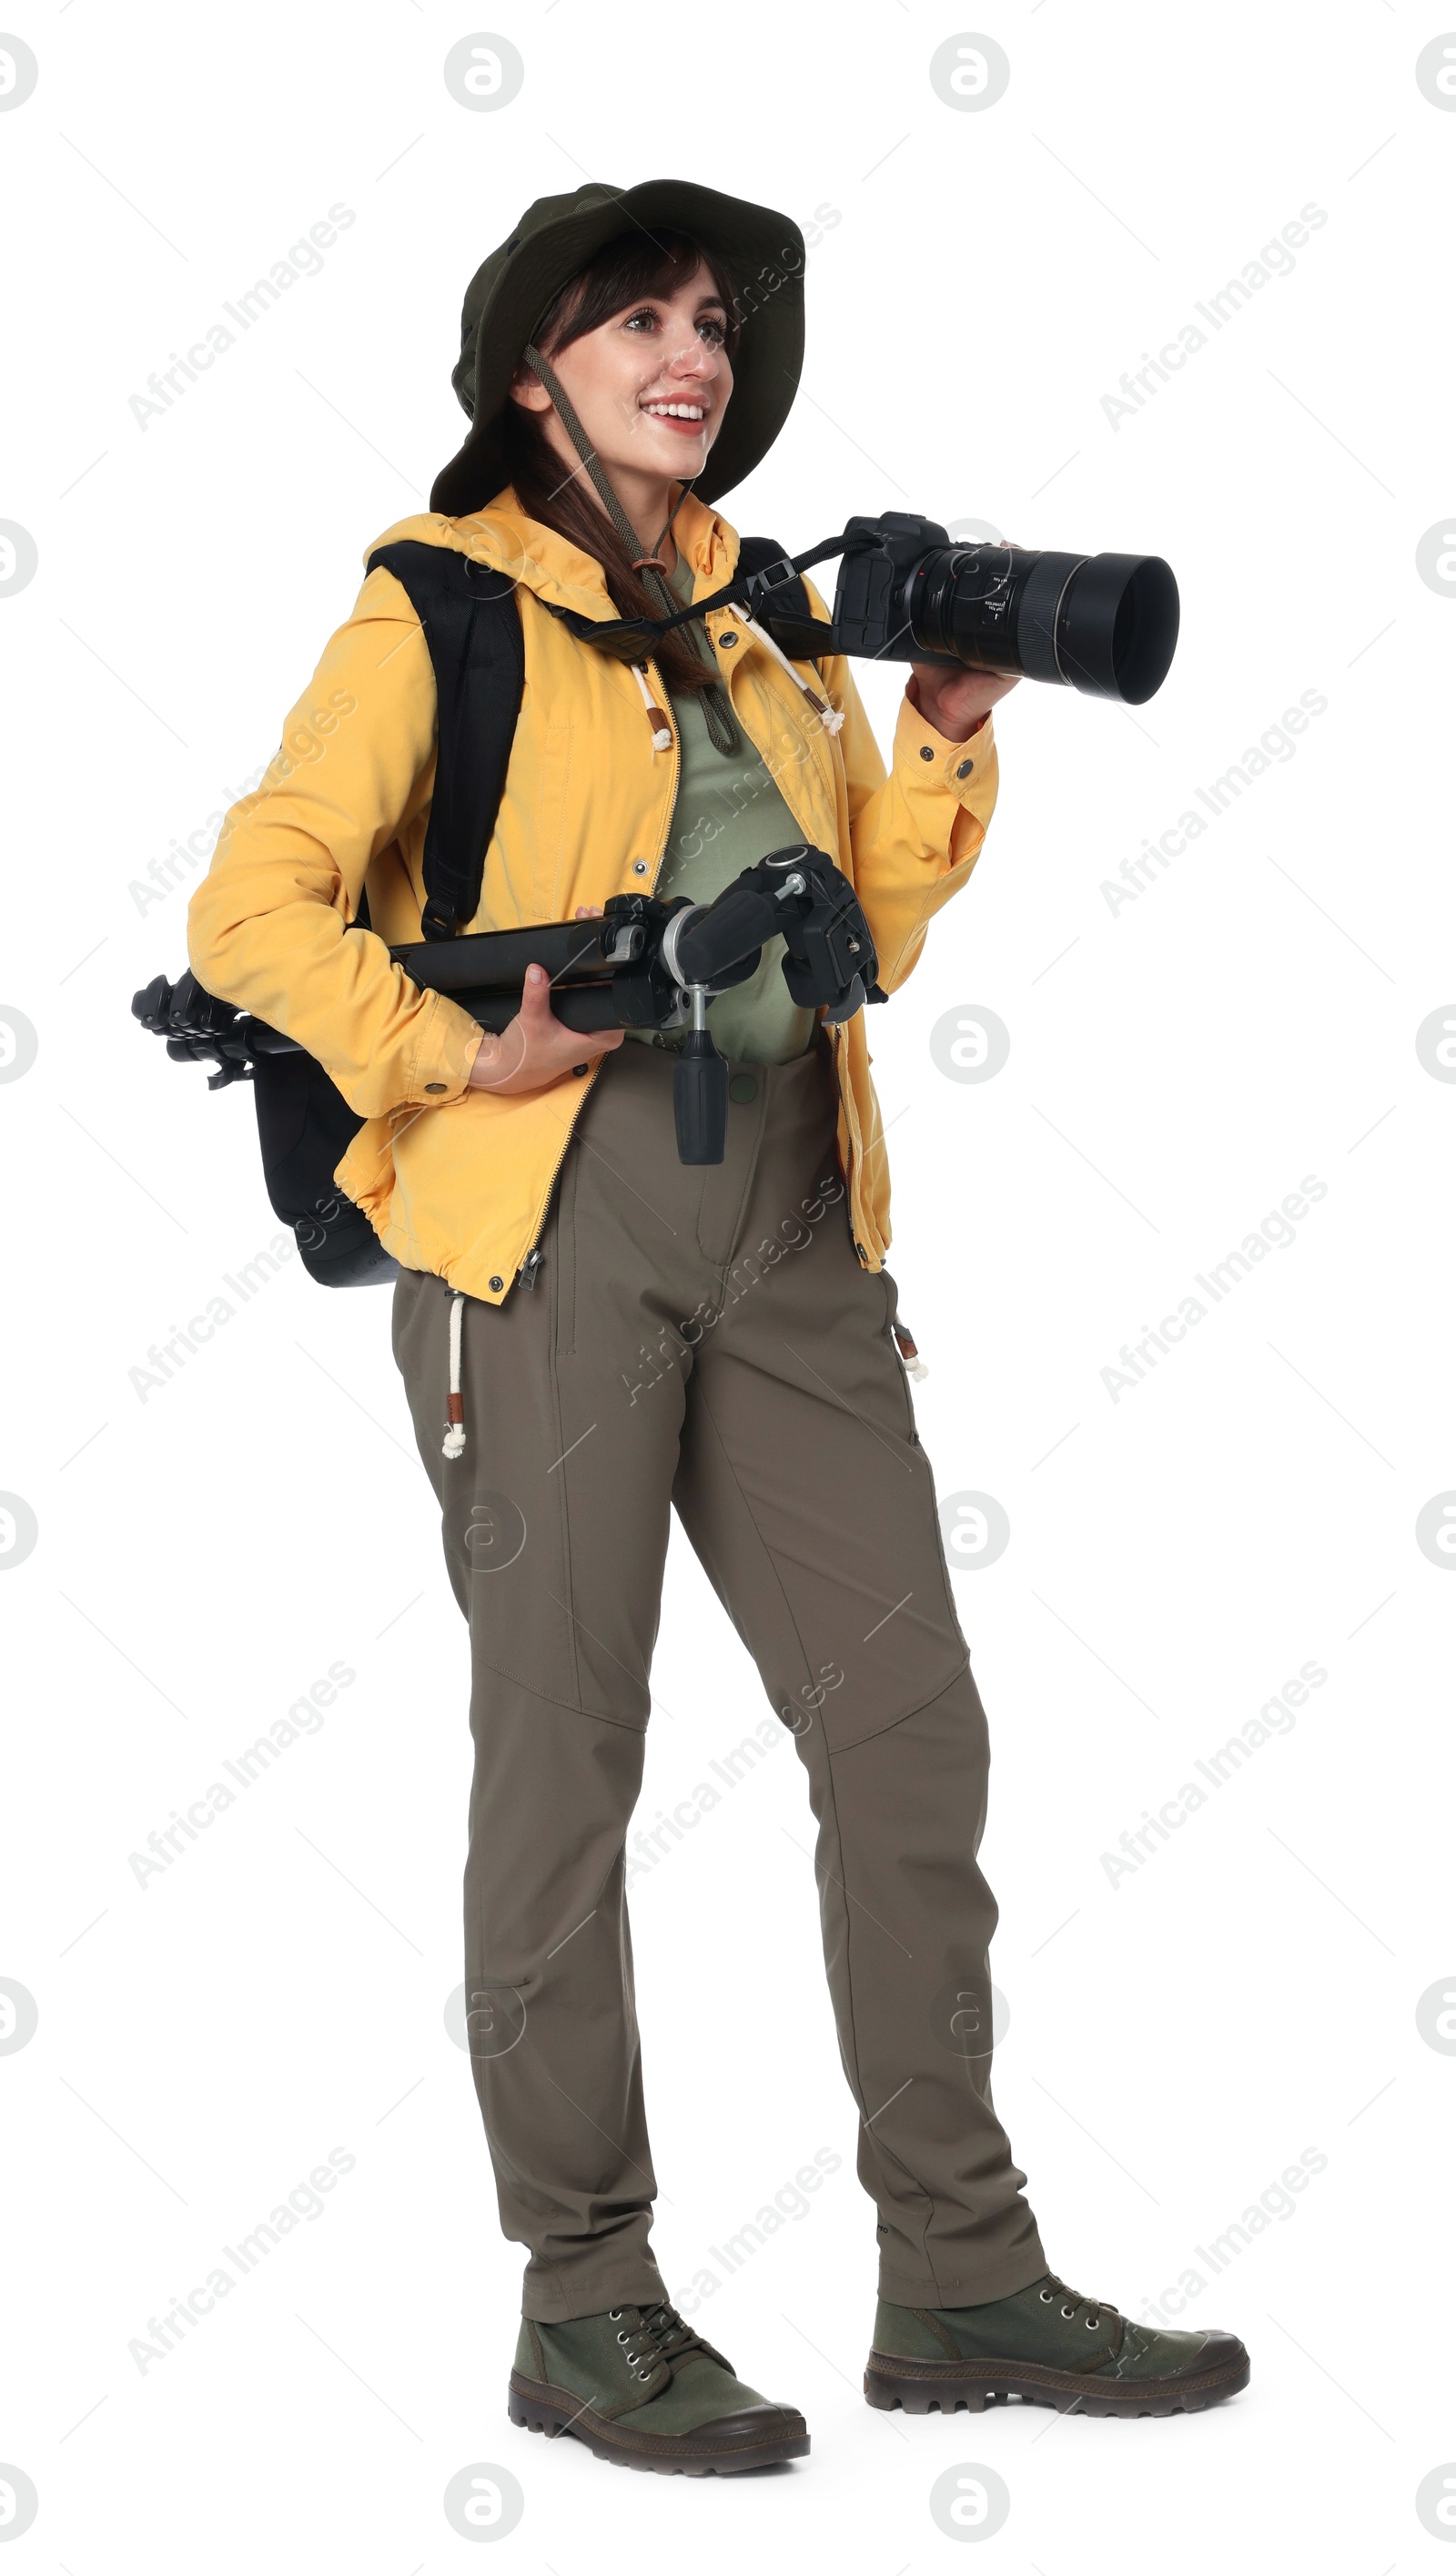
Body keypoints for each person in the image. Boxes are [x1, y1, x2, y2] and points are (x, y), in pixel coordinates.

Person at [187, 178, 1249, 2475]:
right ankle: (583, 2303)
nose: (691, 350)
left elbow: (855, 925)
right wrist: (450, 1052)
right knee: (564, 1761)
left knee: (908, 1731)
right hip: (549, 1232)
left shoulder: (765, 625)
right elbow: (249, 904)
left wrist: (947, 726)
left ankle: (956, 2271)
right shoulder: (440, 602)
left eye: (708, 320)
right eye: (637, 318)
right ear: (529, 372)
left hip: (789, 1215)